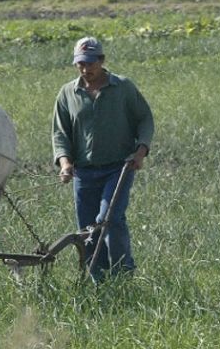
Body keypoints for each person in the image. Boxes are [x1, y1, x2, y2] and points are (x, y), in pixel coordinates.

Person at [52, 36, 154, 283]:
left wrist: (140, 152)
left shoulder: (123, 88)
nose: (86, 69)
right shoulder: (68, 93)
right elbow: (60, 133)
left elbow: (145, 119)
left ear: (102, 60)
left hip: (119, 168)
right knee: (87, 229)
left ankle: (122, 272)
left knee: (108, 219)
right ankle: (98, 277)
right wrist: (65, 164)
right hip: (84, 173)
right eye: (80, 64)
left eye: (90, 63)